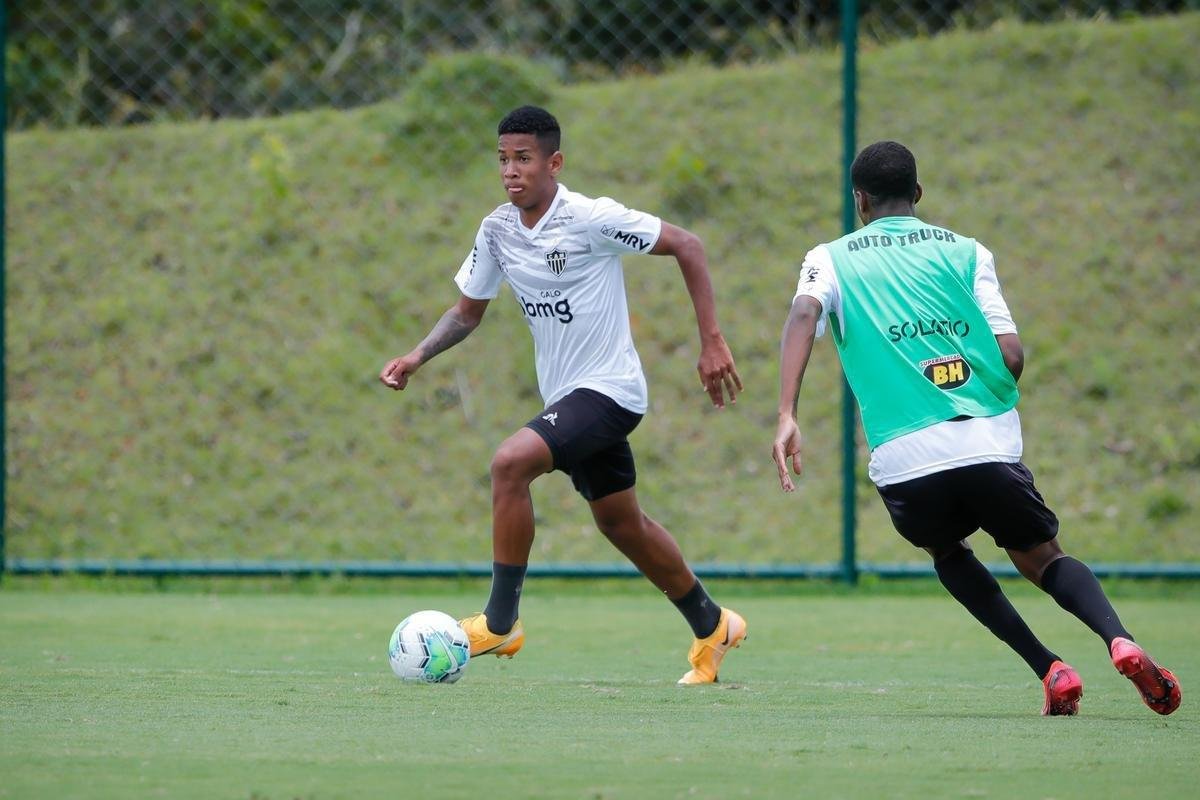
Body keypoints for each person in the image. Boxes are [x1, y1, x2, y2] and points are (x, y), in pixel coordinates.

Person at [771, 140, 1181, 716]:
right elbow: (1011, 354)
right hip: (986, 441)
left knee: (947, 550)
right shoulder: (968, 252)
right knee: (1041, 556)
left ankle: (1051, 669)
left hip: (906, 456)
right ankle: (1120, 639)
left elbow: (803, 314)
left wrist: (787, 412)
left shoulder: (830, 257)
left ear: (858, 199)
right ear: (917, 194)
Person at [381, 105, 746, 684]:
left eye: (523, 158)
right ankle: (712, 623)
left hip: (611, 390)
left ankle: (501, 622)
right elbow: (467, 312)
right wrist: (418, 356)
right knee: (620, 523)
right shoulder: (497, 230)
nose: (510, 171)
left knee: (509, 464)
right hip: (567, 398)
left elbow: (689, 245)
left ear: (554, 162)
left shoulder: (591, 218)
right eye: (503, 159)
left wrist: (712, 341)